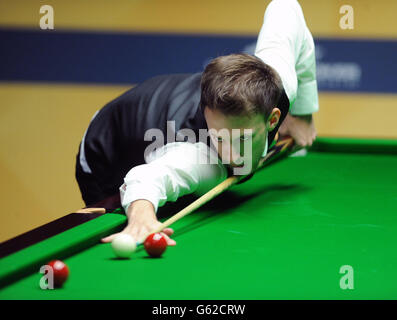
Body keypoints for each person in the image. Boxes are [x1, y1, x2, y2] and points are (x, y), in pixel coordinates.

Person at [75, 0, 318, 245]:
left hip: (156, 107)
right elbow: (150, 177)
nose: (231, 155)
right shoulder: (197, 154)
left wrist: (303, 113)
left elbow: (286, 8)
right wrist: (140, 213)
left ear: (273, 118)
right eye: (220, 137)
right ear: (207, 112)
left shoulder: (276, 82)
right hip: (106, 152)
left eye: (242, 138)